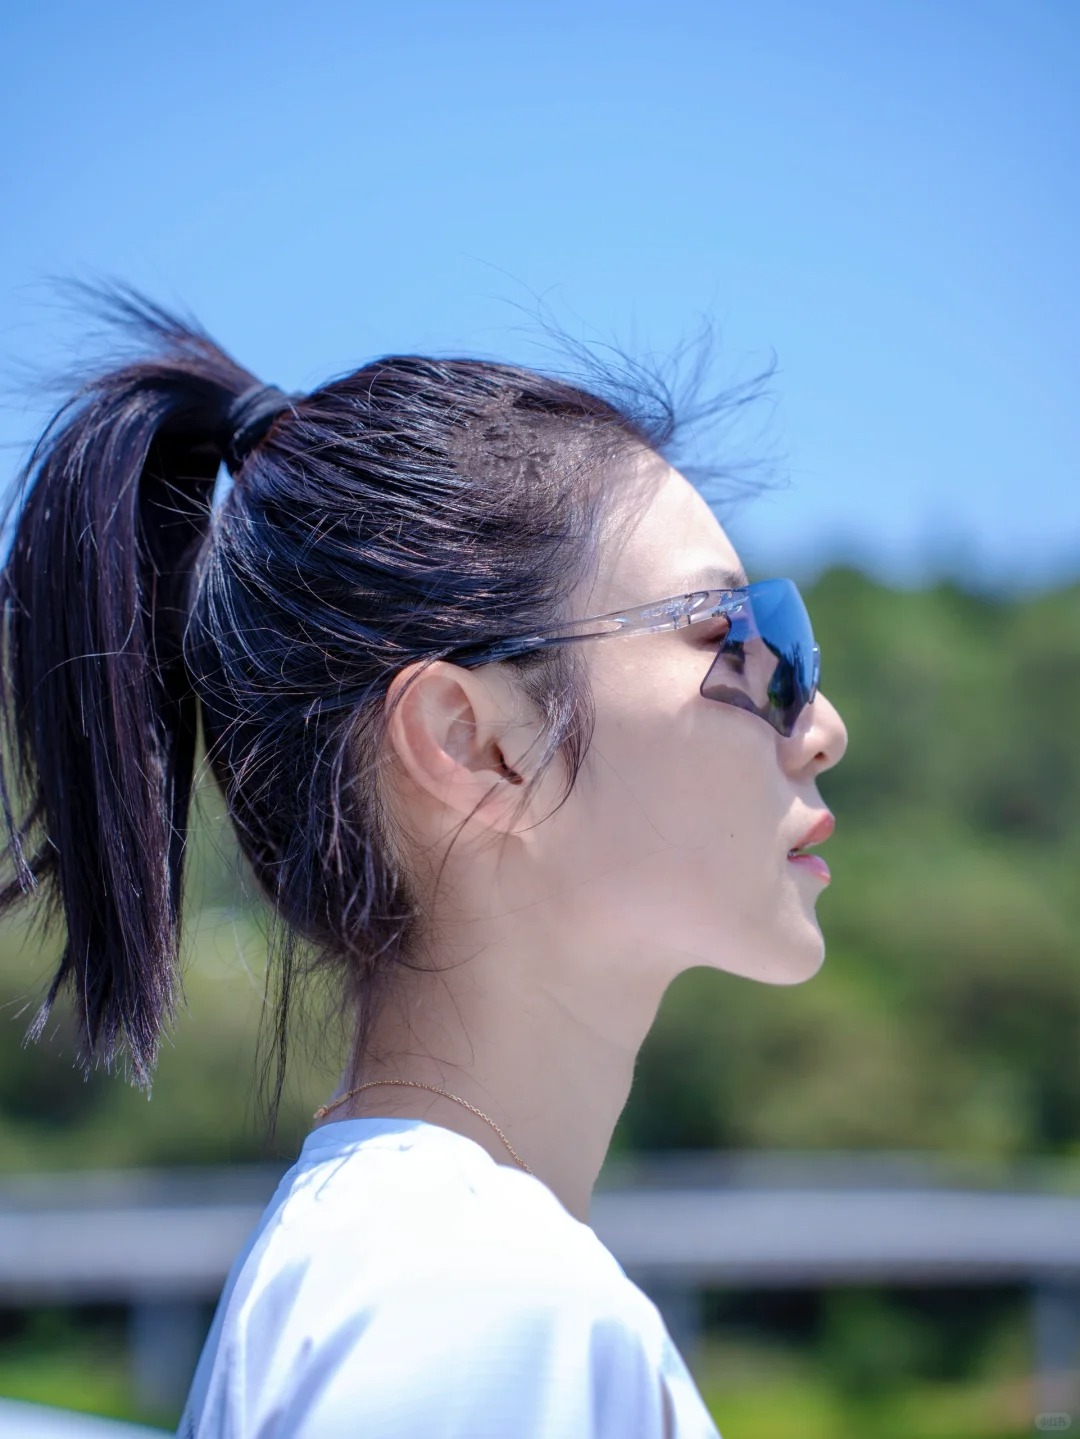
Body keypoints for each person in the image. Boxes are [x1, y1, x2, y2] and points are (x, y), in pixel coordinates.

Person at [0, 289, 847, 1438]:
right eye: (731, 633)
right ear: (473, 740)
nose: (821, 722)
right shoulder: (482, 1304)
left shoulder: (423, 1274)